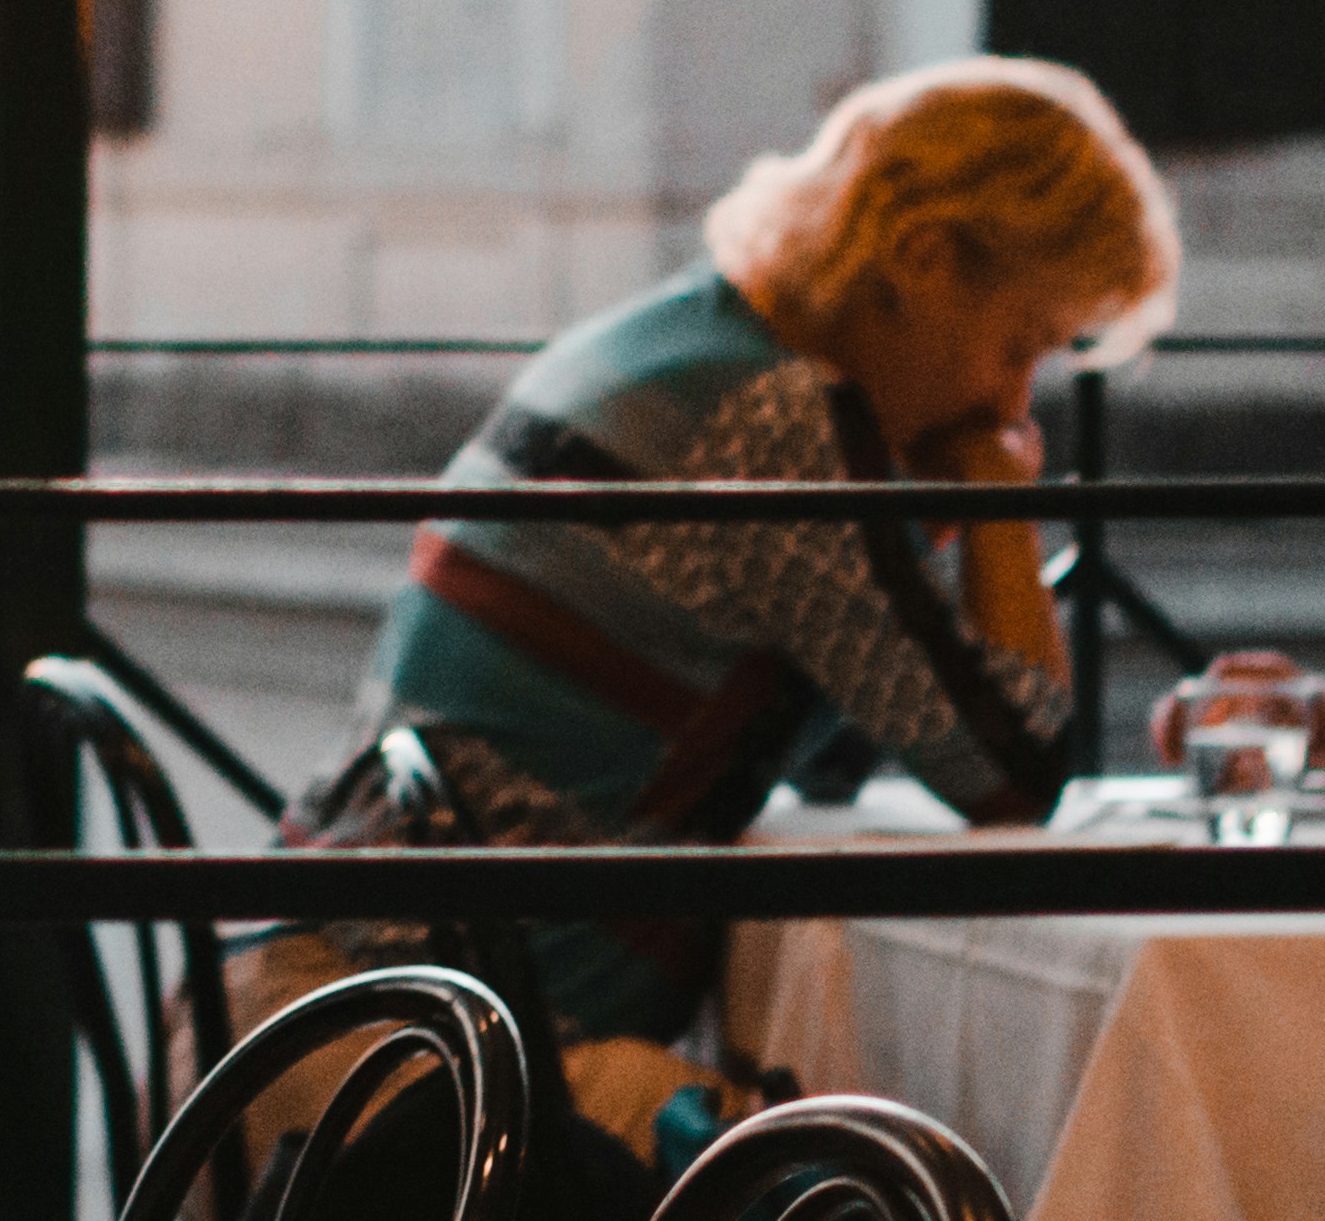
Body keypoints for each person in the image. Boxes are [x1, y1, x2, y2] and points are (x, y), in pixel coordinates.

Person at [326, 57, 1173, 1044]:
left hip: (326, 984)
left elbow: (843, 746)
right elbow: (1015, 774)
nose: (1015, 402)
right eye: (1020, 343)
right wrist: (994, 495)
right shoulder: (781, 425)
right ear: (927, 257)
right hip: (455, 1065)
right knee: (899, 1181)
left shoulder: (681, 340)